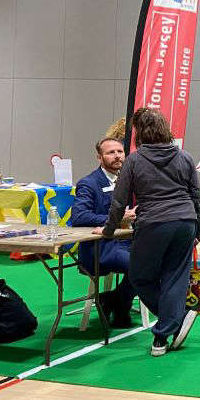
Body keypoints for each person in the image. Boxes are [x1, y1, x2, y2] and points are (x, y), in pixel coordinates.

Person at [95, 108, 200, 357]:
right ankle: (164, 333)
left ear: (139, 132)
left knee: (139, 277)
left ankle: (173, 322)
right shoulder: (184, 157)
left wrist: (109, 230)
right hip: (185, 221)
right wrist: (199, 227)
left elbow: (119, 201)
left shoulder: (134, 160)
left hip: (153, 223)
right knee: (176, 276)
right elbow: (195, 195)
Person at [70, 137, 136, 328]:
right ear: (99, 157)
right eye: (110, 153)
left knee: (156, 261)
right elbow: (79, 216)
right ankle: (120, 303)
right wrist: (118, 217)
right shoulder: (88, 183)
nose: (117, 156)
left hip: (129, 240)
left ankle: (114, 298)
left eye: (120, 152)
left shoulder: (131, 180)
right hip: (102, 246)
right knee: (140, 266)